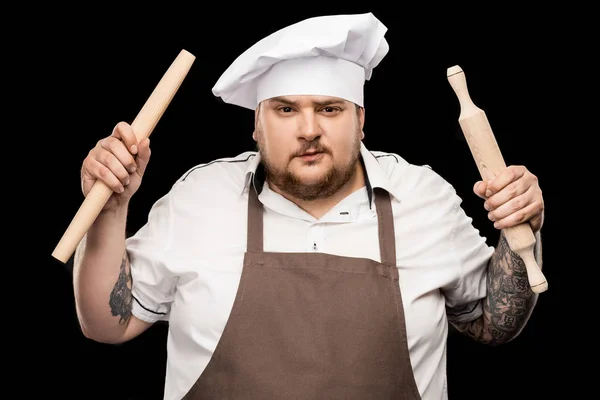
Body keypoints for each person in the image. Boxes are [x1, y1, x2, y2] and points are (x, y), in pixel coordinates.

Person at [72, 12, 545, 400]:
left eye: (330, 108)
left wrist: (522, 229)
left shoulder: (424, 198)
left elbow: (493, 325)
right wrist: (111, 209)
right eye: (285, 109)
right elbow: (106, 326)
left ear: (361, 120)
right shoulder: (200, 198)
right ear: (256, 125)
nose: (308, 129)